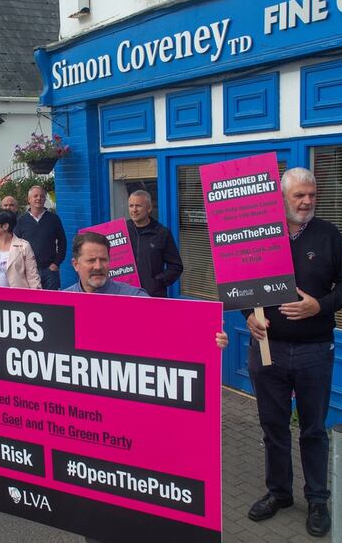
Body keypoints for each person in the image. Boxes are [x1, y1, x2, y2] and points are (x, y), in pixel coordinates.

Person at [64, 230, 228, 543]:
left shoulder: (135, 297)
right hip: (86, 426)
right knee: (94, 511)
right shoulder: (62, 302)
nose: (98, 266)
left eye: (103, 259)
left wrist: (209, 342)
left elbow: (171, 338)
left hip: (129, 422)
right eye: (91, 260)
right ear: (75, 264)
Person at [243, 168, 342, 538]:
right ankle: (279, 493)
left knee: (313, 429)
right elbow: (240, 283)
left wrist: (320, 307)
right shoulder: (260, 234)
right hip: (268, 349)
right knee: (273, 427)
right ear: (281, 198)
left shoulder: (328, 235)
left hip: (314, 350)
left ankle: (318, 500)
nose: (307, 201)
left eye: (312, 194)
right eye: (299, 196)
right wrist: (249, 317)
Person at [125, 190, 183, 297]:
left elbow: (176, 266)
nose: (134, 210)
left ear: (149, 208)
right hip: (127, 293)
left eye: (138, 206)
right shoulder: (123, 230)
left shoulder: (161, 233)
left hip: (153, 295)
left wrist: (157, 282)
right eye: (131, 206)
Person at [14, 185, 66, 290]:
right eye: (35, 196)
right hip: (29, 271)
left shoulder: (53, 219)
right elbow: (15, 244)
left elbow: (62, 241)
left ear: (45, 199)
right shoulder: (21, 221)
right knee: (32, 303)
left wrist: (56, 263)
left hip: (49, 271)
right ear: (29, 199)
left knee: (52, 303)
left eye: (42, 196)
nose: (39, 198)